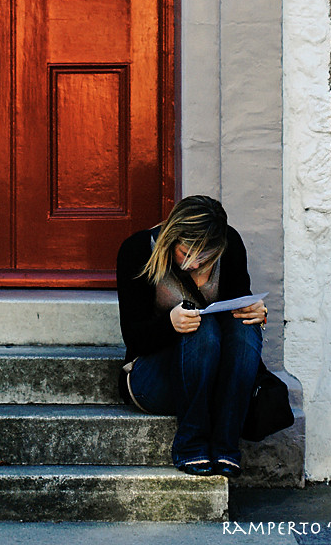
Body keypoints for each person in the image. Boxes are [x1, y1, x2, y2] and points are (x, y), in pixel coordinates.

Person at [116, 194, 267, 477]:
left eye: (205, 258)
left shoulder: (229, 244)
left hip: (214, 377)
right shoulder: (137, 251)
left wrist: (256, 312)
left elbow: (236, 309)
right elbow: (134, 338)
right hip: (153, 378)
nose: (194, 265)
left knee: (243, 325)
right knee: (201, 323)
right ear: (172, 238)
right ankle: (191, 445)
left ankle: (225, 447)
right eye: (186, 254)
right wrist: (169, 324)